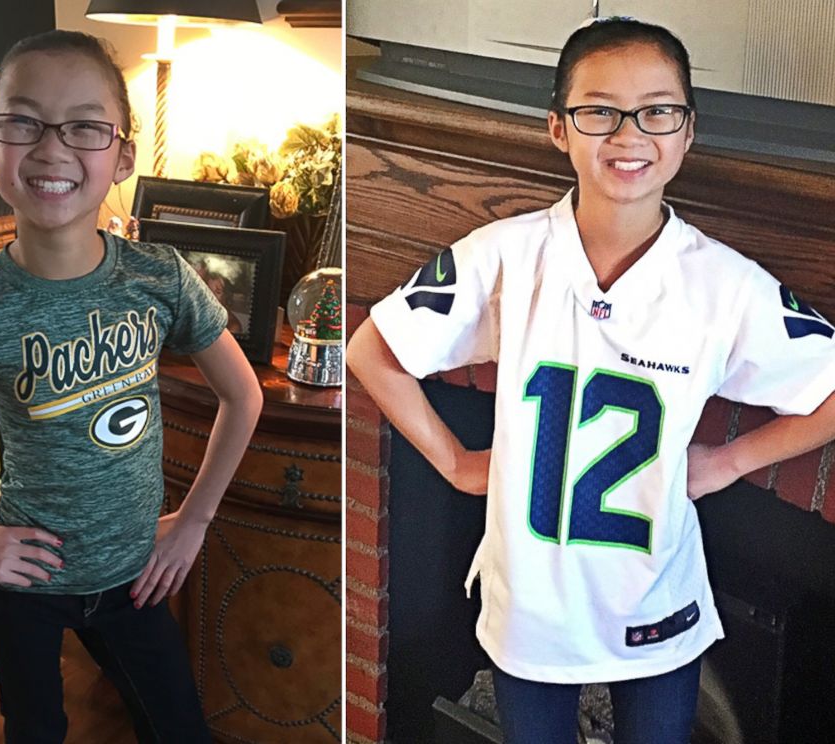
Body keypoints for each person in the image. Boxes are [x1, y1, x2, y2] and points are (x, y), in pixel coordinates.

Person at [346, 17, 835, 744]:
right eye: (599, 111)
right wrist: (452, 461)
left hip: (654, 600)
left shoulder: (726, 286)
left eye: (657, 110)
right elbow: (370, 350)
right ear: (558, 128)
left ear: (688, 131)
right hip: (533, 604)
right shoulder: (505, 255)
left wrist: (732, 460)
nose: (629, 134)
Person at [0, 30, 263, 744]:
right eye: (23, 121)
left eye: (84, 127)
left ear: (122, 155)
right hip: (22, 591)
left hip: (135, 580)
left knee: (180, 729)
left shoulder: (160, 278)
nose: (51, 147)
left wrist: (193, 520)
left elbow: (244, 396)